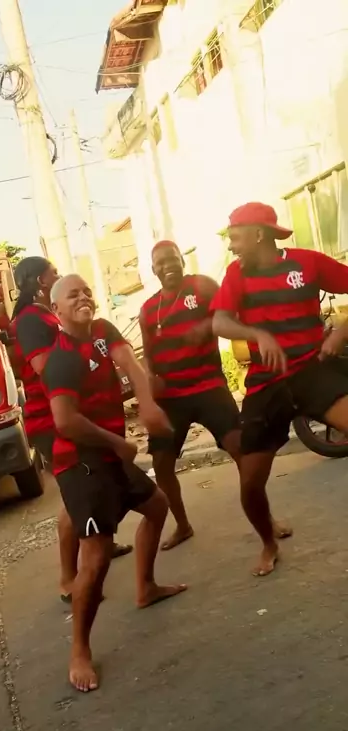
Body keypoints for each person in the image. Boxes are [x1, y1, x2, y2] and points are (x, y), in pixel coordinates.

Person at [43, 274, 187, 692]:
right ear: (56, 310)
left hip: (110, 455)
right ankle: (79, 651)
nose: (83, 298)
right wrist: (116, 443)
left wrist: (147, 404)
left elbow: (132, 365)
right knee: (97, 558)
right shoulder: (61, 358)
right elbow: (65, 421)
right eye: (73, 295)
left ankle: (146, 587)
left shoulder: (103, 332)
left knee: (157, 506)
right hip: (80, 463)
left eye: (86, 291)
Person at [212, 201, 348, 576]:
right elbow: (220, 322)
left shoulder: (307, 263)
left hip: (312, 370)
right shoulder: (236, 275)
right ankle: (268, 542)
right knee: (250, 483)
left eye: (235, 237)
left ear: (259, 234)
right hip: (266, 383)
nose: (231, 246)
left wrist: (340, 332)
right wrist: (257, 334)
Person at [11, 257, 132, 602]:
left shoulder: (46, 315)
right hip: (49, 419)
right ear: (40, 281)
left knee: (96, 485)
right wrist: (81, 361)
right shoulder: (30, 319)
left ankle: (98, 538)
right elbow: (43, 366)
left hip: (70, 412)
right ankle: (68, 577)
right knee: (73, 496)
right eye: (54, 274)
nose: (59, 276)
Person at [139, 240, 242, 550]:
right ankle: (182, 525)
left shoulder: (202, 286)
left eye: (173, 259)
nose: (168, 265)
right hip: (171, 397)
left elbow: (230, 313)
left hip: (208, 387)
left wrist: (207, 326)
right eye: (161, 262)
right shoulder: (148, 310)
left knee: (242, 449)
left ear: (182, 261)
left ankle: (266, 518)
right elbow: (147, 355)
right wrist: (150, 381)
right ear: (153, 269)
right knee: (162, 463)